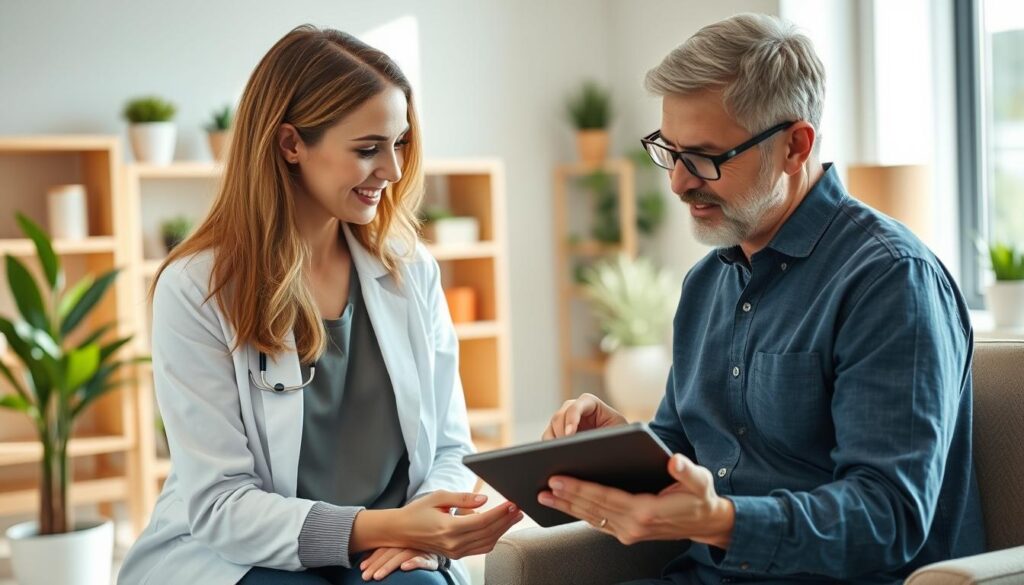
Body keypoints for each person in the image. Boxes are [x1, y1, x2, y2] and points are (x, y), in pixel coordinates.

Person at [539, 13, 985, 584]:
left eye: (704, 157)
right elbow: (686, 450)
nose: (677, 182)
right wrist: (619, 447)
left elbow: (888, 518)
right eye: (668, 150)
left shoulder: (890, 281)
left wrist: (723, 521)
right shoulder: (707, 283)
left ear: (796, 146)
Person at [118, 25, 522, 585]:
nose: (394, 170)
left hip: (384, 546)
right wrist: (387, 526)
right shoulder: (196, 287)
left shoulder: (410, 269)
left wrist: (431, 527)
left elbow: (450, 444)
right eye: (367, 149)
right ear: (290, 145)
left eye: (399, 143)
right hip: (247, 551)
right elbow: (221, 504)